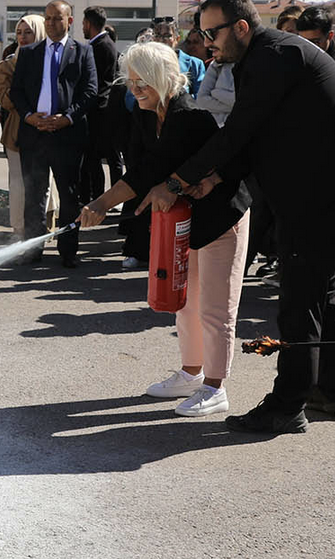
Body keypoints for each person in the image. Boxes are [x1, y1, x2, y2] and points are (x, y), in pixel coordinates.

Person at [146, 0, 335, 434]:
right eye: (201, 32)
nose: (207, 41)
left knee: (299, 296)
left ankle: (286, 404)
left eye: (212, 32)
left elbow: (238, 132)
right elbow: (258, 135)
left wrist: (177, 181)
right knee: (320, 288)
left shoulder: (272, 56)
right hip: (333, 184)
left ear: (241, 26)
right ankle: (331, 390)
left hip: (332, 187)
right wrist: (215, 177)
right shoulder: (259, 58)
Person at [81, 42, 251, 416]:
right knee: (186, 303)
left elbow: (151, 170)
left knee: (216, 308)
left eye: (143, 81)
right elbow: (143, 171)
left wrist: (101, 204)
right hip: (188, 218)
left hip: (224, 217)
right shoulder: (146, 116)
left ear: (164, 79)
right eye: (132, 81)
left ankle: (215, 387)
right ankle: (192, 374)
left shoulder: (188, 117)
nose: (135, 89)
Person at [10, 0, 99, 268]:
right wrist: (29, 116)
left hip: (67, 135)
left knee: (69, 195)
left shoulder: (82, 51)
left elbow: (91, 91)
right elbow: (16, 91)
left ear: (69, 21)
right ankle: (33, 249)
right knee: (34, 194)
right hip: (34, 133)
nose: (50, 23)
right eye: (47, 18)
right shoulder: (29, 52)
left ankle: (68, 250)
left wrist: (67, 118)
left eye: (56, 18)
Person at [0, 15, 46, 240]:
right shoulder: (8, 64)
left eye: (29, 32)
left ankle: (43, 227)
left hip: (47, 129)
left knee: (45, 184)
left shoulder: (51, 61)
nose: (23, 37)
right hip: (17, 131)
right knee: (19, 184)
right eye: (19, 32)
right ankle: (19, 230)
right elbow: (5, 99)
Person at [80, 5, 122, 202]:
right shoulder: (106, 44)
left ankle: (95, 197)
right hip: (101, 109)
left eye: (83, 23)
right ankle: (95, 197)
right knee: (93, 159)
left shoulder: (100, 46)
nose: (82, 27)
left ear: (88, 23)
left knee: (92, 159)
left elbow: (94, 83)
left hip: (97, 110)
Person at [296, 6, 335, 91]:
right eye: (304, 42)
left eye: (315, 42)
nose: (308, 48)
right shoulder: (297, 56)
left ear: (330, 36)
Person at [152, 17, 205, 96]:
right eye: (157, 35)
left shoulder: (194, 64)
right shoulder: (143, 63)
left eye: (167, 36)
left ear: (177, 38)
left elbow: (200, 96)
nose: (161, 40)